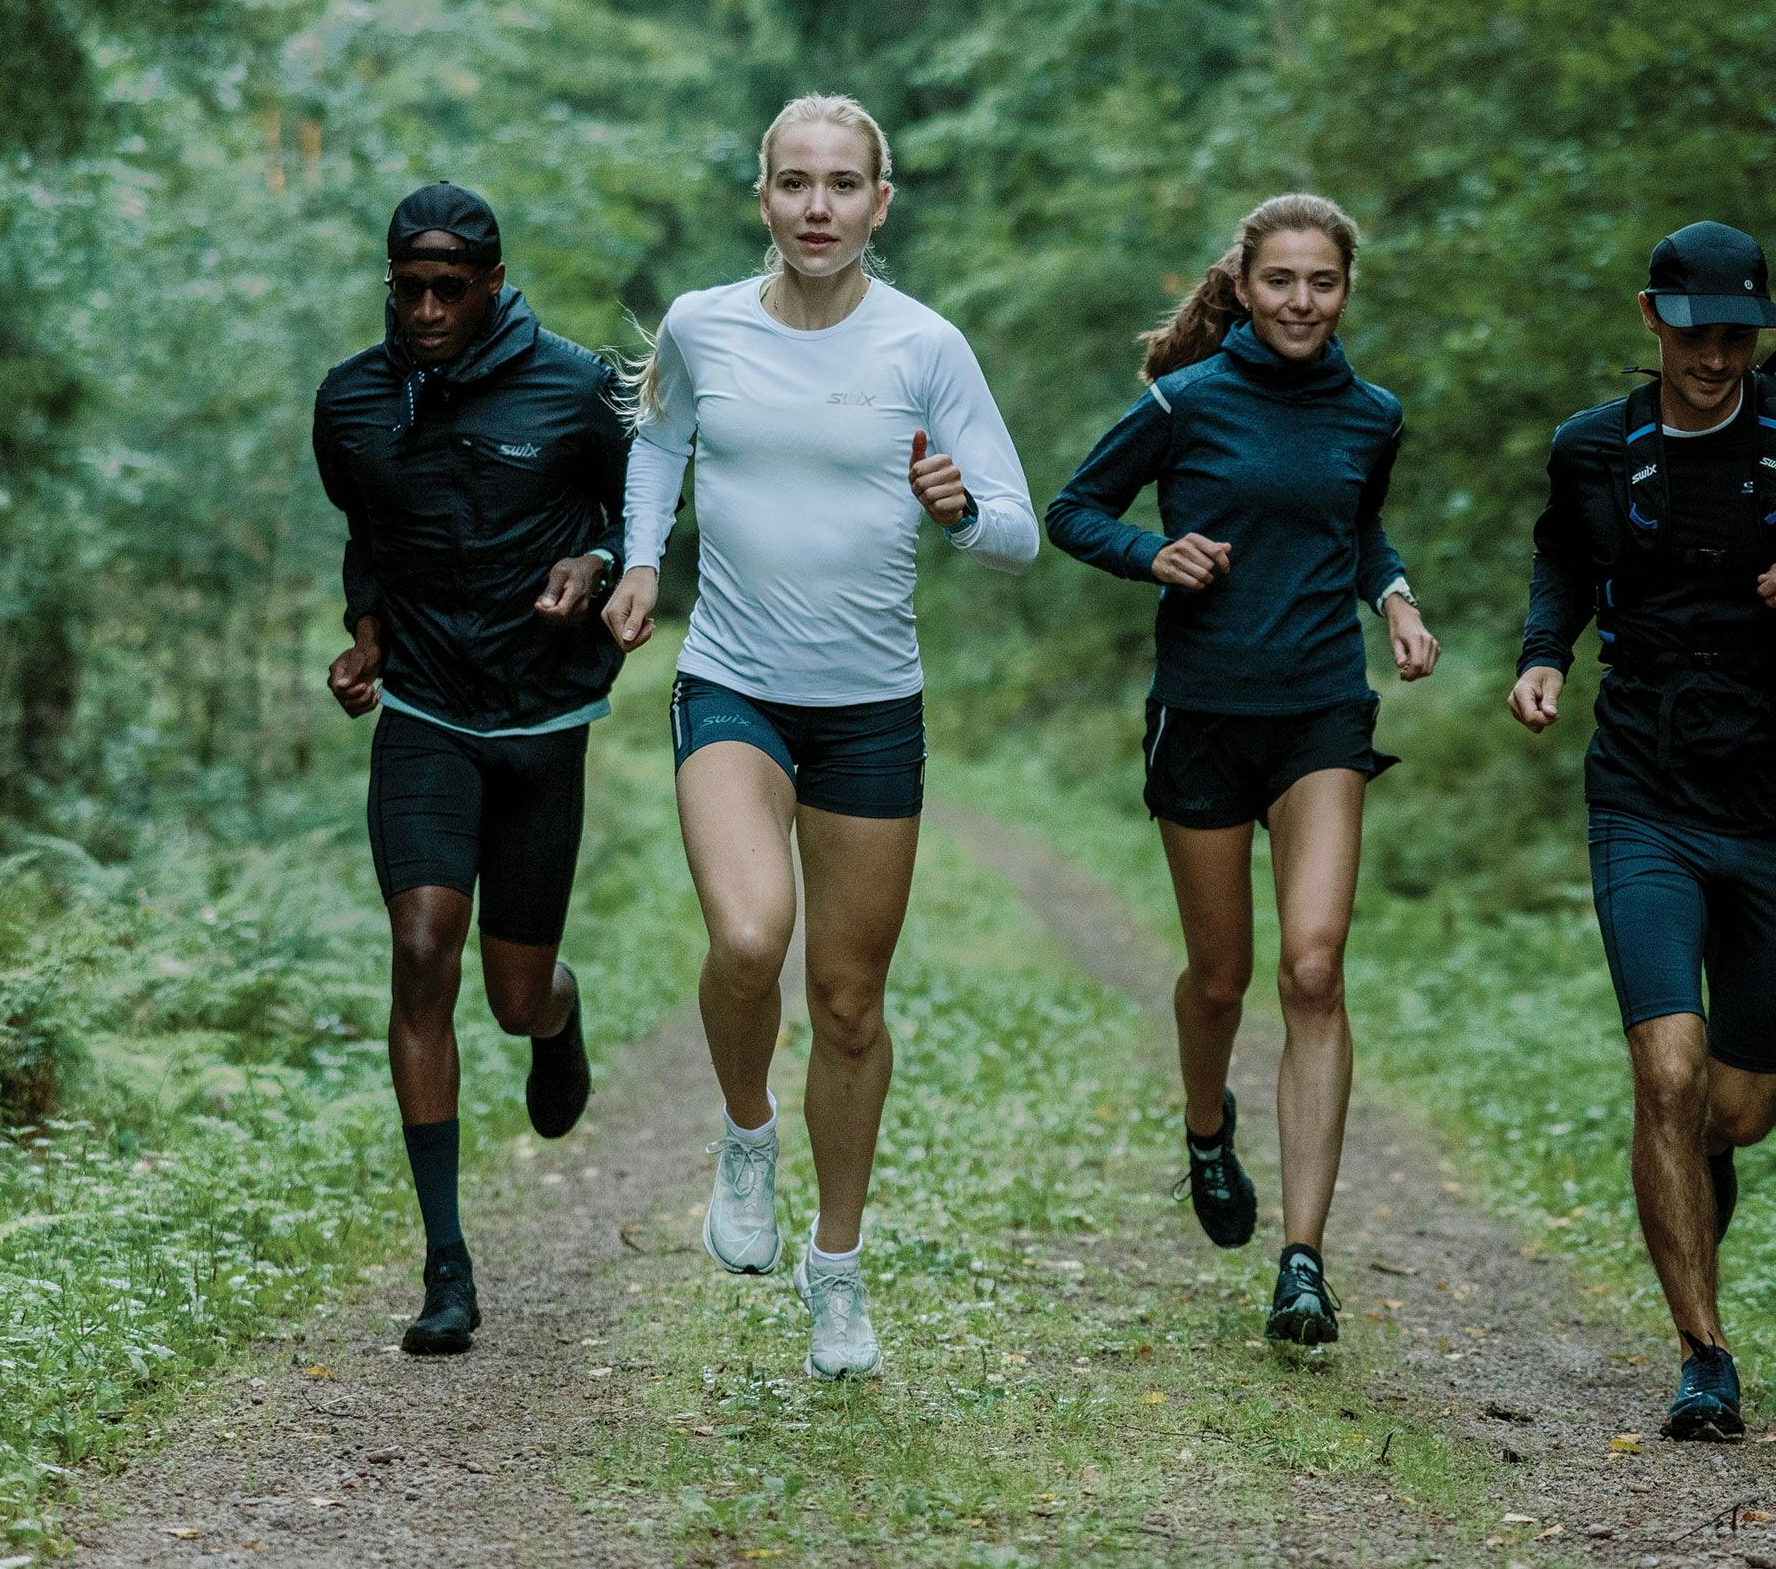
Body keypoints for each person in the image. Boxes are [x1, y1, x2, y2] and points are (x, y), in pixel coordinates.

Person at [600, 94, 1039, 1380]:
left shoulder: (926, 348)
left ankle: (834, 1269)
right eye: (794, 183)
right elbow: (661, 437)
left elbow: (1018, 529)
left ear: (879, 203)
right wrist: (640, 560)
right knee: (749, 936)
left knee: (848, 1006)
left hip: (869, 710)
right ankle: (746, 1137)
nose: (817, 207)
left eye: (843, 185)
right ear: (763, 196)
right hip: (731, 680)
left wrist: (958, 510)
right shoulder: (701, 324)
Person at [1508, 220, 1776, 1439]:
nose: (1714, 356)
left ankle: (1690, 1163)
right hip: (1643, 786)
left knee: (1738, 1109)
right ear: (1653, 318)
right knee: (1668, 1072)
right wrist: (1543, 656)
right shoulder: (1592, 449)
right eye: (1693, 333)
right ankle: (1704, 1354)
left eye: (1737, 334)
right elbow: (1560, 565)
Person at [1046, 193, 1438, 1346]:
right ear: (1244, 285)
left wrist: (1397, 598)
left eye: (1322, 283)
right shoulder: (1186, 399)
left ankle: (1304, 1261)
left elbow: (1359, 528)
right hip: (1205, 715)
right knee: (1221, 980)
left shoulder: (1373, 413)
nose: (1301, 303)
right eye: (1281, 282)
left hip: (1321, 710)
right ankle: (1206, 1126)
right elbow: (1075, 509)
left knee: (1313, 974)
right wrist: (1149, 552)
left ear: (1346, 290)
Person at [314, 181, 629, 1357]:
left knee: (508, 997)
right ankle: (447, 1264)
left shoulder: (574, 383)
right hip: (428, 712)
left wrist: (597, 558)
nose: (430, 310)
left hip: (545, 719)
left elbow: (651, 505)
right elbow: (370, 532)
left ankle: (559, 1017)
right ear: (390, 282)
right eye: (410, 289)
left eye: (452, 289)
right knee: (417, 949)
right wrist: (366, 637)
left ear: (494, 283)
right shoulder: (350, 400)